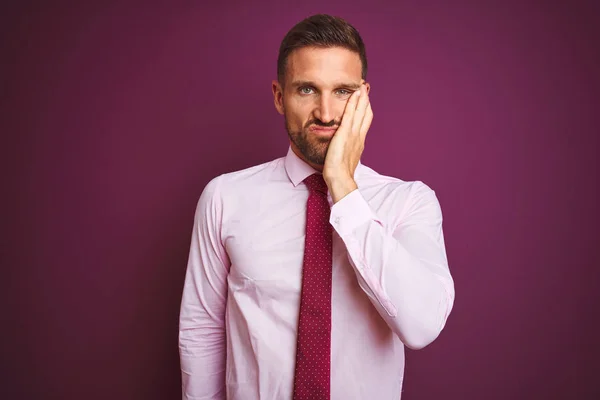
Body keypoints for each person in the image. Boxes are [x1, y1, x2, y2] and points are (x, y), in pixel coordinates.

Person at [179, 14, 455, 400]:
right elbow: (202, 329)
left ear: (364, 97)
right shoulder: (225, 197)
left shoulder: (409, 202)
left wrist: (343, 185)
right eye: (307, 90)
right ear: (279, 96)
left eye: (342, 91)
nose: (326, 114)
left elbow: (421, 325)